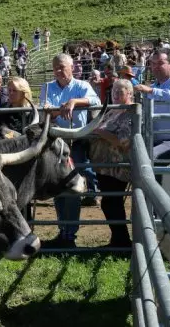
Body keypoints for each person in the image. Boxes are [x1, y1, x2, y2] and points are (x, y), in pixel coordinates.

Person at [40, 53, 101, 248]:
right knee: (58, 187)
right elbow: (46, 110)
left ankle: (70, 235)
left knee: (73, 187)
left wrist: (74, 101)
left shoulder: (82, 86)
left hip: (76, 141)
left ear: (72, 67)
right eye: (55, 67)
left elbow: (94, 101)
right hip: (56, 142)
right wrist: (60, 110)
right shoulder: (47, 86)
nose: (58, 71)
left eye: (62, 67)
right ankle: (62, 231)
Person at [89, 80, 134, 247]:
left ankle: (121, 241)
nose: (115, 95)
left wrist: (100, 132)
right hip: (104, 167)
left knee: (112, 202)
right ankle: (118, 239)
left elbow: (123, 141)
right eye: (114, 91)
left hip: (118, 166)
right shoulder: (112, 111)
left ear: (129, 93)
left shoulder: (130, 113)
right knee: (110, 202)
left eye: (120, 92)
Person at [0, 76, 33, 143]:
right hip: (6, 147)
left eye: (15, 91)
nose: (11, 93)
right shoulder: (4, 108)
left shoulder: (31, 112)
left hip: (25, 148)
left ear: (23, 93)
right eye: (9, 90)